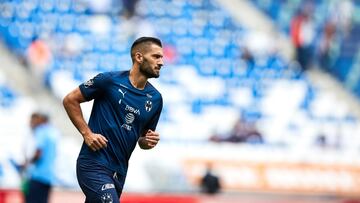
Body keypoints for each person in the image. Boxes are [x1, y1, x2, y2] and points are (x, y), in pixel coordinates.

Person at [62, 36, 164, 203]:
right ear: (139, 57)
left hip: (119, 172)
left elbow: (142, 139)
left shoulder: (155, 99)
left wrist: (148, 141)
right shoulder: (109, 81)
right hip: (93, 164)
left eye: (162, 57)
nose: (161, 62)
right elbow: (70, 100)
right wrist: (87, 134)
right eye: (156, 56)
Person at [24, 112, 60, 203]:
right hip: (48, 177)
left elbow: (38, 153)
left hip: (37, 176)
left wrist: (28, 163)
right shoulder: (54, 132)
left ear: (41, 120)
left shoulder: (41, 131)